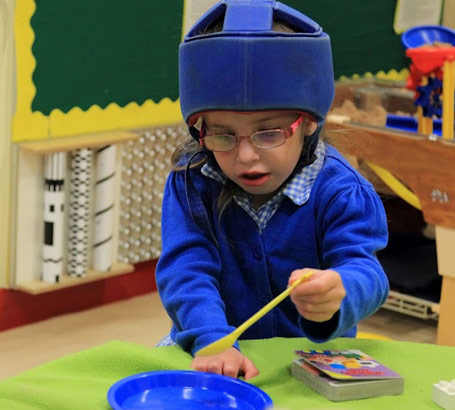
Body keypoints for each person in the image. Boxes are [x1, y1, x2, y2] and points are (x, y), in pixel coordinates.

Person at [155, 0, 389, 380]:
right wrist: (214, 340)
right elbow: (186, 270)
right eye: (222, 134)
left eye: (269, 132)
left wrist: (340, 291)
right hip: (214, 352)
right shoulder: (190, 181)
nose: (246, 156)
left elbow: (368, 271)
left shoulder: (342, 190)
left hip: (311, 361)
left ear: (310, 122)